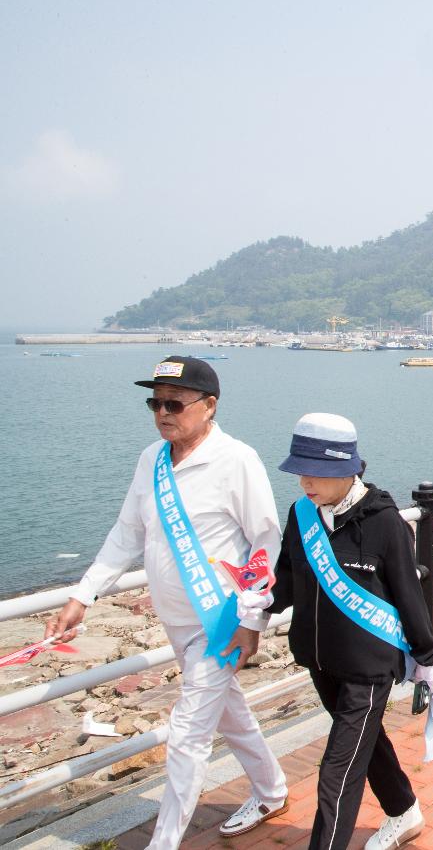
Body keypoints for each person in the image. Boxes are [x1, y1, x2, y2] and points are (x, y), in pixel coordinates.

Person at [45, 356, 289, 849]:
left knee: (187, 734)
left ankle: (164, 842)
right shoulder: (151, 461)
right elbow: (126, 533)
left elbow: (265, 544)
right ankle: (271, 789)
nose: (163, 413)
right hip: (175, 620)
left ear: (209, 405)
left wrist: (254, 621)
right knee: (227, 714)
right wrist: (82, 595)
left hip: (220, 621)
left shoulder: (236, 460)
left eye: (174, 403)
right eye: (154, 402)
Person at [259, 414, 433, 850]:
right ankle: (404, 810)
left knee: (338, 770)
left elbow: (408, 593)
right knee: (366, 742)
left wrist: (428, 658)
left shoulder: (385, 523)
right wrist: (259, 601)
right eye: (299, 471)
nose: (305, 482)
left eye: (315, 472)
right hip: (320, 660)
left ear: (347, 469)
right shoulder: (301, 515)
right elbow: (286, 578)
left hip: (368, 668)